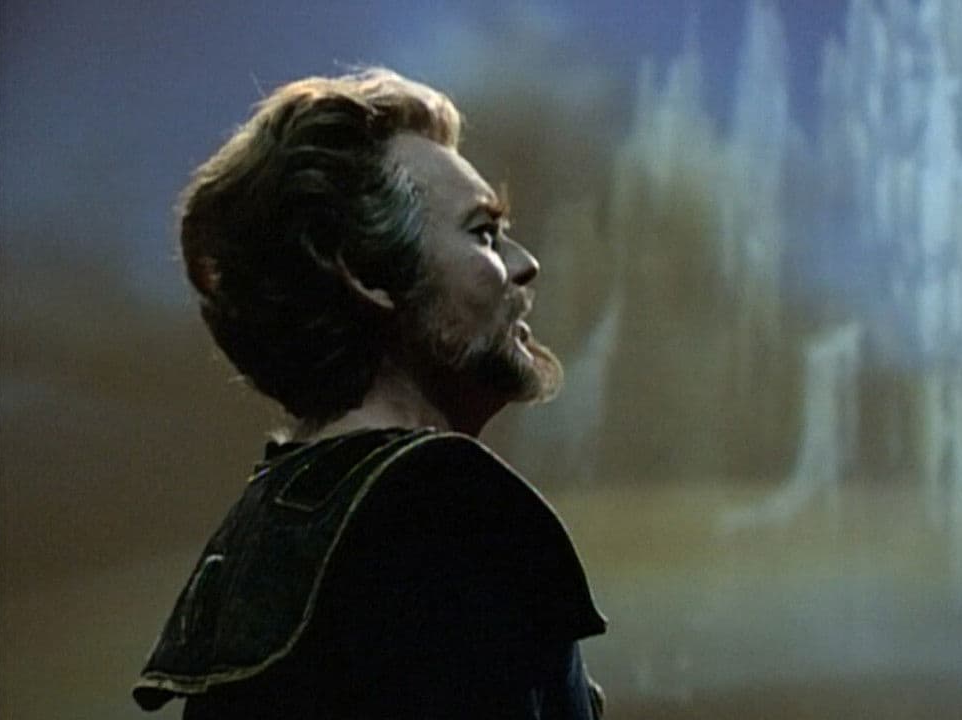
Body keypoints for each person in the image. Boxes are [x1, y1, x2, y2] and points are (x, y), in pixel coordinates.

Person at [133, 68, 607, 719]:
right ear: (366, 271)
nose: (526, 264)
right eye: (483, 233)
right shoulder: (445, 510)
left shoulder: (261, 530)